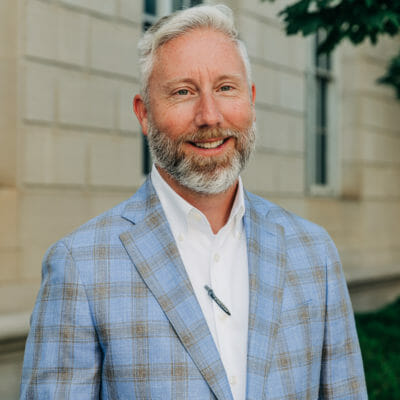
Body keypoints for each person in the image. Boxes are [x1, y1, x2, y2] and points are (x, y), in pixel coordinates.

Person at [20, 4, 367, 399]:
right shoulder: (80, 266)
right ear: (144, 114)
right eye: (183, 92)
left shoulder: (314, 252)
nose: (209, 115)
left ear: (250, 102)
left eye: (225, 88)